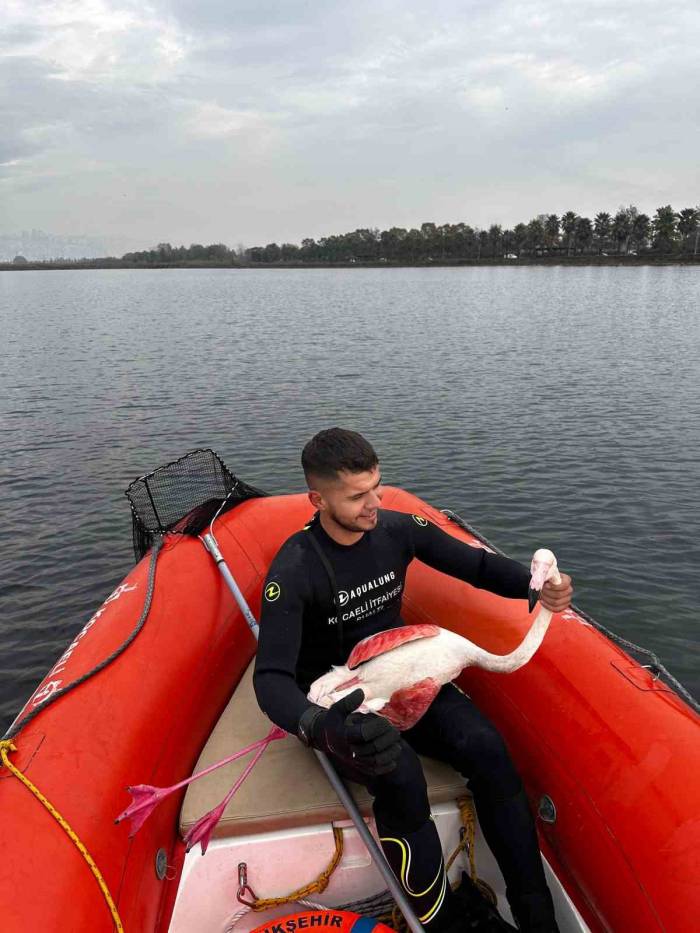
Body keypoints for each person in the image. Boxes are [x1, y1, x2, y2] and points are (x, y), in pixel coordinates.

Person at [254, 428, 573, 933]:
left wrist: (539, 586)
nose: (373, 503)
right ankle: (440, 922)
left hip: (404, 676)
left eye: (377, 487)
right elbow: (271, 680)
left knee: (487, 746)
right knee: (400, 774)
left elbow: (477, 566)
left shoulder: (397, 530)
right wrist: (324, 728)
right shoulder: (294, 569)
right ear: (317, 499)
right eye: (357, 496)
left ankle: (537, 918)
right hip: (343, 705)